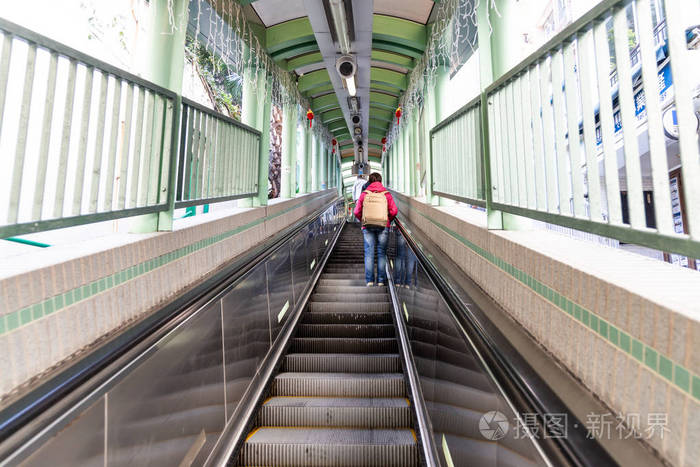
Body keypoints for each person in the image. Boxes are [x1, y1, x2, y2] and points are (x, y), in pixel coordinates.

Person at [353, 172, 398, 286]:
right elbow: (394, 211)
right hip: (383, 226)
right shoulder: (386, 194)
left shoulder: (364, 194)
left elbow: (356, 212)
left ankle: (370, 281)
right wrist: (387, 219)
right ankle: (381, 280)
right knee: (381, 253)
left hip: (367, 226)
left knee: (369, 253)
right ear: (380, 181)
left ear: (370, 181)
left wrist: (363, 220)